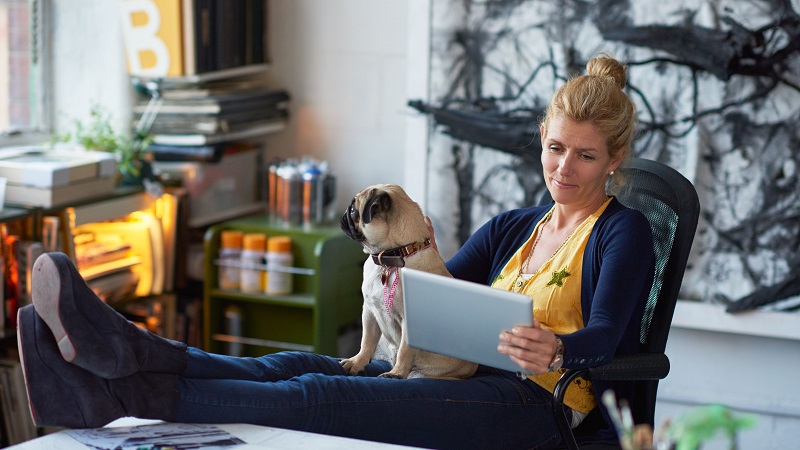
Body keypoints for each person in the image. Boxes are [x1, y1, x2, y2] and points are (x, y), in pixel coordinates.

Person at [17, 53, 653, 450]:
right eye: (555, 148)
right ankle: (125, 353)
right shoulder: (516, 226)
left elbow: (609, 336)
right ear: (542, 138)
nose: (564, 168)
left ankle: (121, 394)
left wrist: (560, 346)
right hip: (459, 372)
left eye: (586, 156)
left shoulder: (623, 232)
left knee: (321, 397)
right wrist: (403, 252)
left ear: (615, 158)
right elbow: (428, 303)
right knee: (295, 362)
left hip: (534, 409)